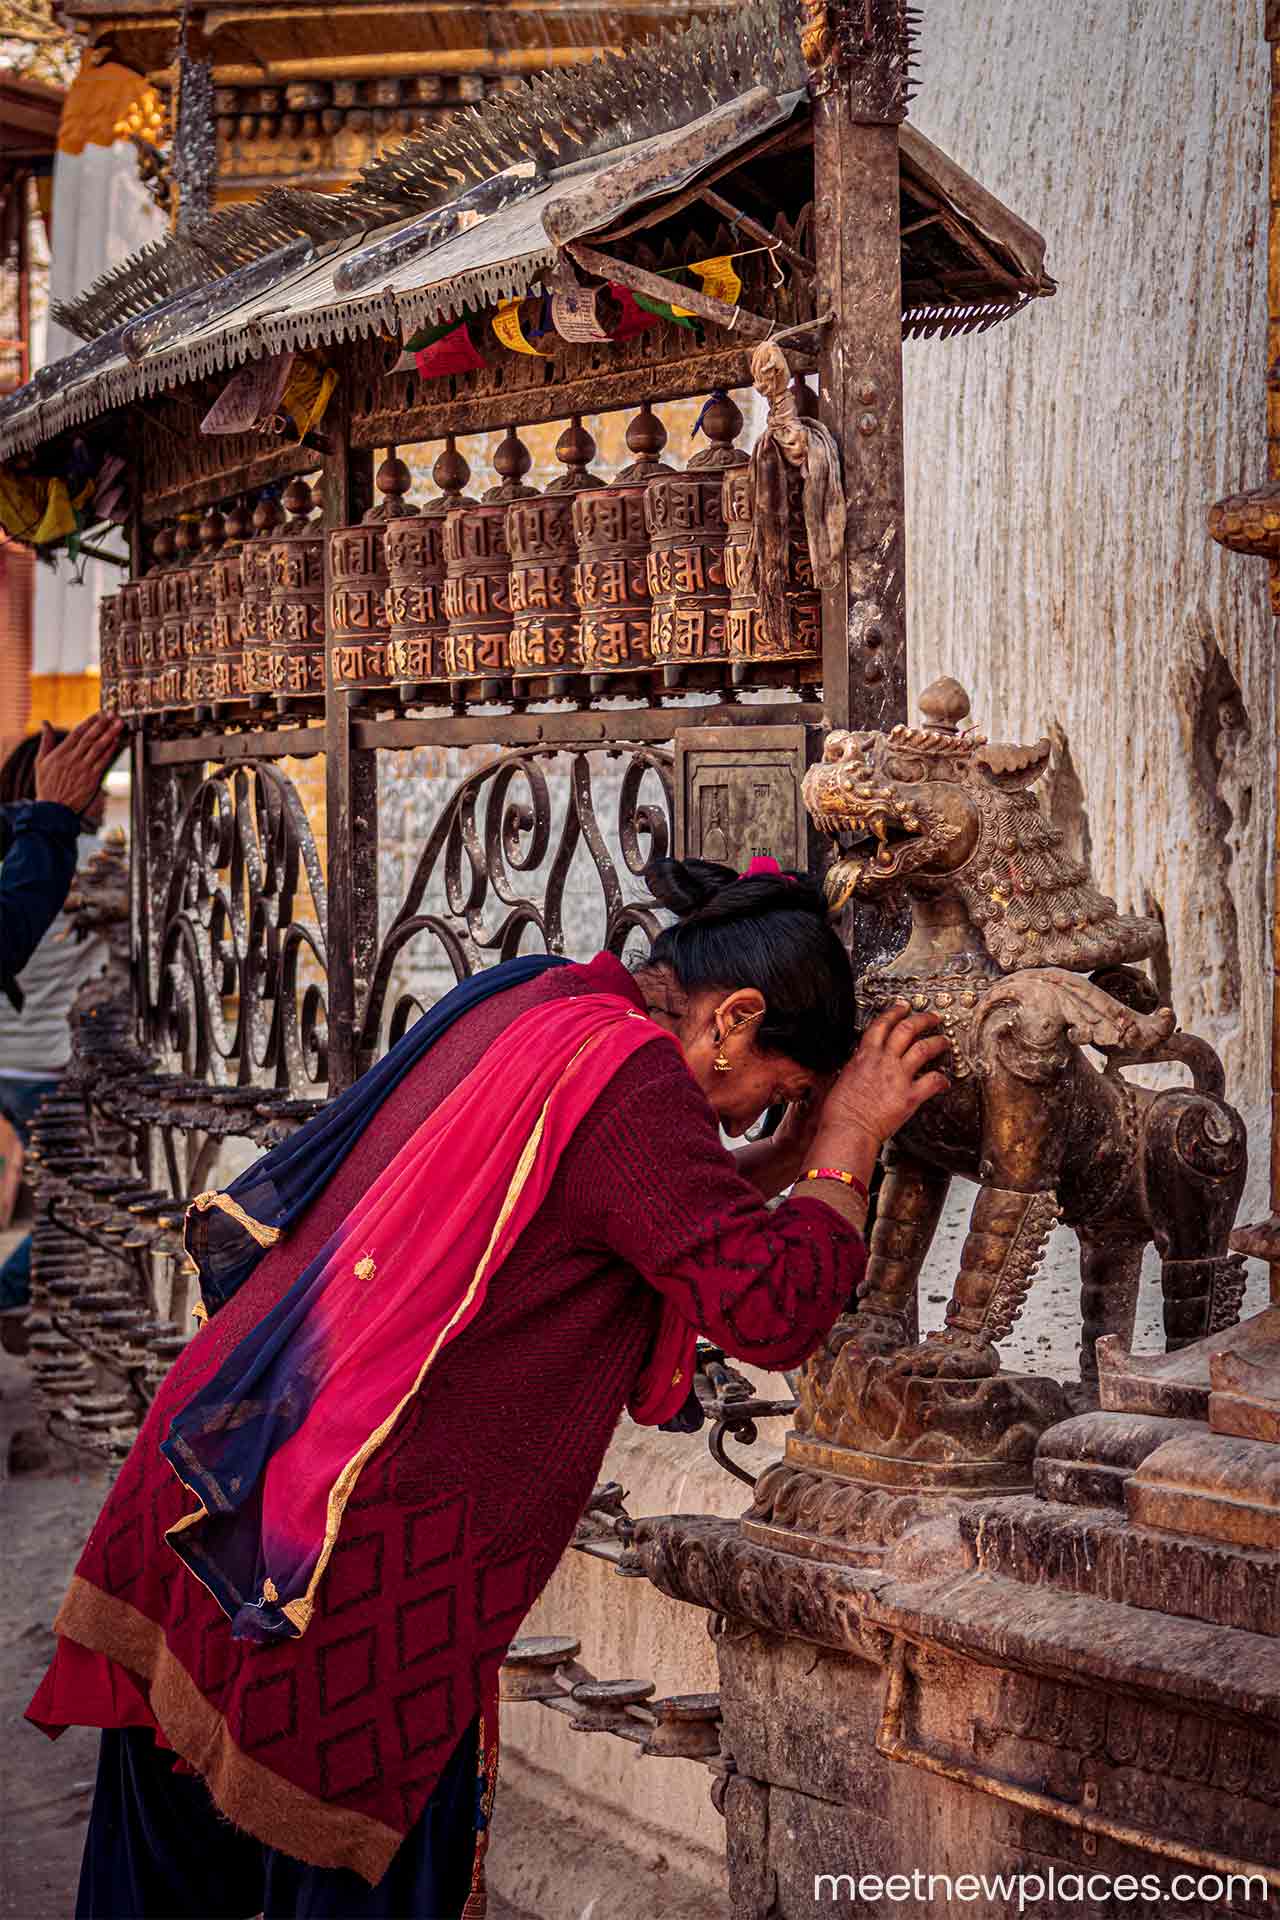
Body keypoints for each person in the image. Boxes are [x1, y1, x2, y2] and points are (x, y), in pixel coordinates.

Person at [26, 856, 949, 1920]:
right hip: (335, 1556)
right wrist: (845, 1141)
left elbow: (603, 1212)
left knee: (162, 1884)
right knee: (362, 1872)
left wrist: (767, 1166)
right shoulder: (635, 1080)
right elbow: (770, 1311)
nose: (744, 1125)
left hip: (222, 1471)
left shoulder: (547, 996)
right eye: (766, 1097)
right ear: (733, 1018)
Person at [0, 722, 117, 1316]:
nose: (101, 798)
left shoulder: (19, 855)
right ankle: (9, 1299)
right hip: (52, 1063)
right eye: (96, 783)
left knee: (63, 1193)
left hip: (7, 1062)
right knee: (80, 1197)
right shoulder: (88, 857)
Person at [0, 711, 123, 1005]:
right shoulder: (100, 859)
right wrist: (51, 814)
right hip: (63, 1044)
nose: (104, 794)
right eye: (96, 782)